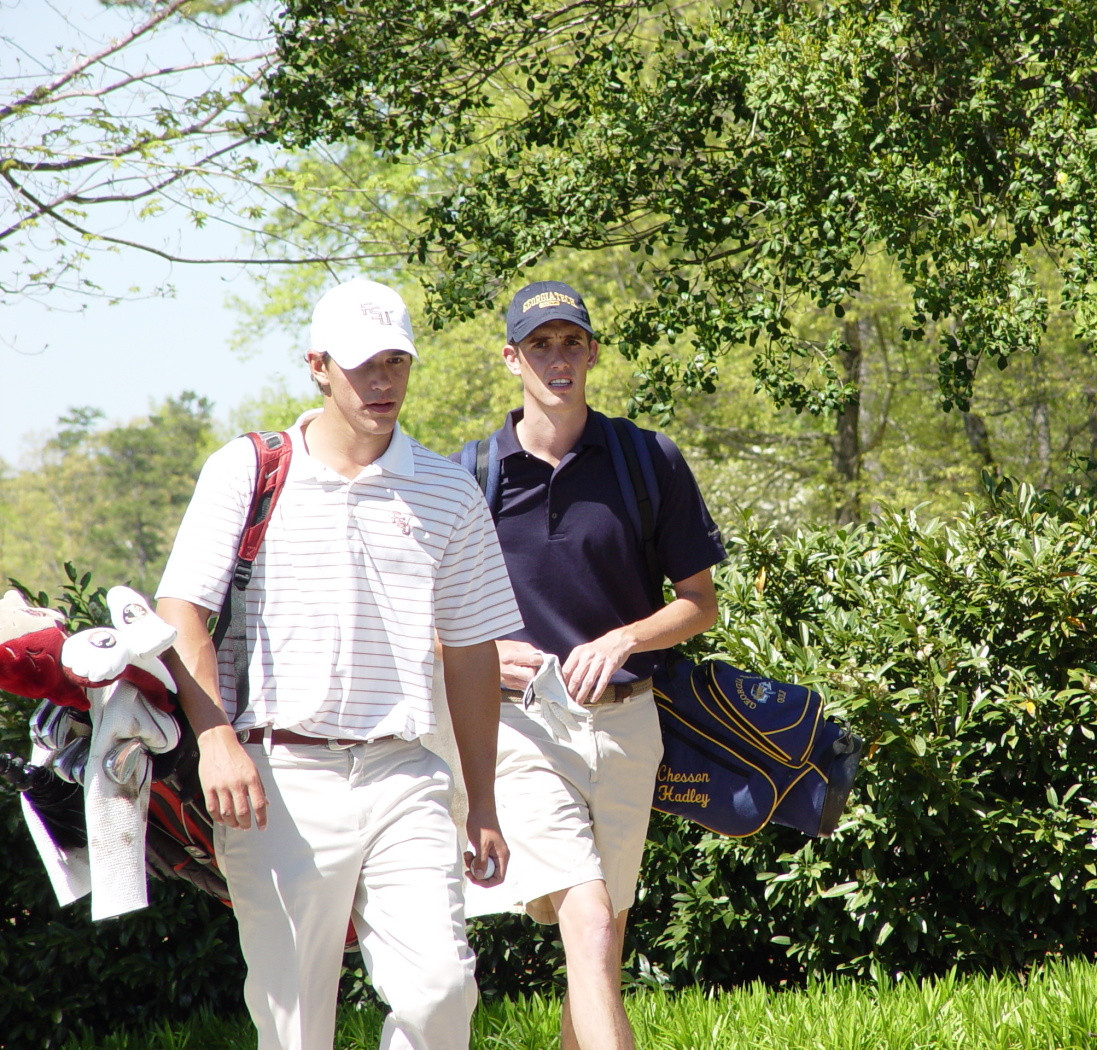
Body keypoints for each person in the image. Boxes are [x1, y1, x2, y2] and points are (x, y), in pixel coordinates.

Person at [154, 277, 522, 1050]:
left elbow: (471, 652)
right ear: (319, 366)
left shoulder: (450, 493)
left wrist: (481, 799)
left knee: (442, 991)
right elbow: (179, 611)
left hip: (405, 775)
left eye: (397, 361)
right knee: (295, 1026)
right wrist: (217, 739)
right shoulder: (246, 471)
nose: (384, 381)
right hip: (277, 778)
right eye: (364, 365)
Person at [461, 280, 726, 1050]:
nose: (557, 359)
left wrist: (624, 639)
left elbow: (699, 603)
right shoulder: (469, 477)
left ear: (593, 352)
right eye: (538, 344)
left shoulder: (647, 461)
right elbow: (421, 615)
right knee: (588, 916)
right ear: (511, 358)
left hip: (629, 726)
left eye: (570, 341)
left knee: (603, 936)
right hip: (523, 731)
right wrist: (484, 653)